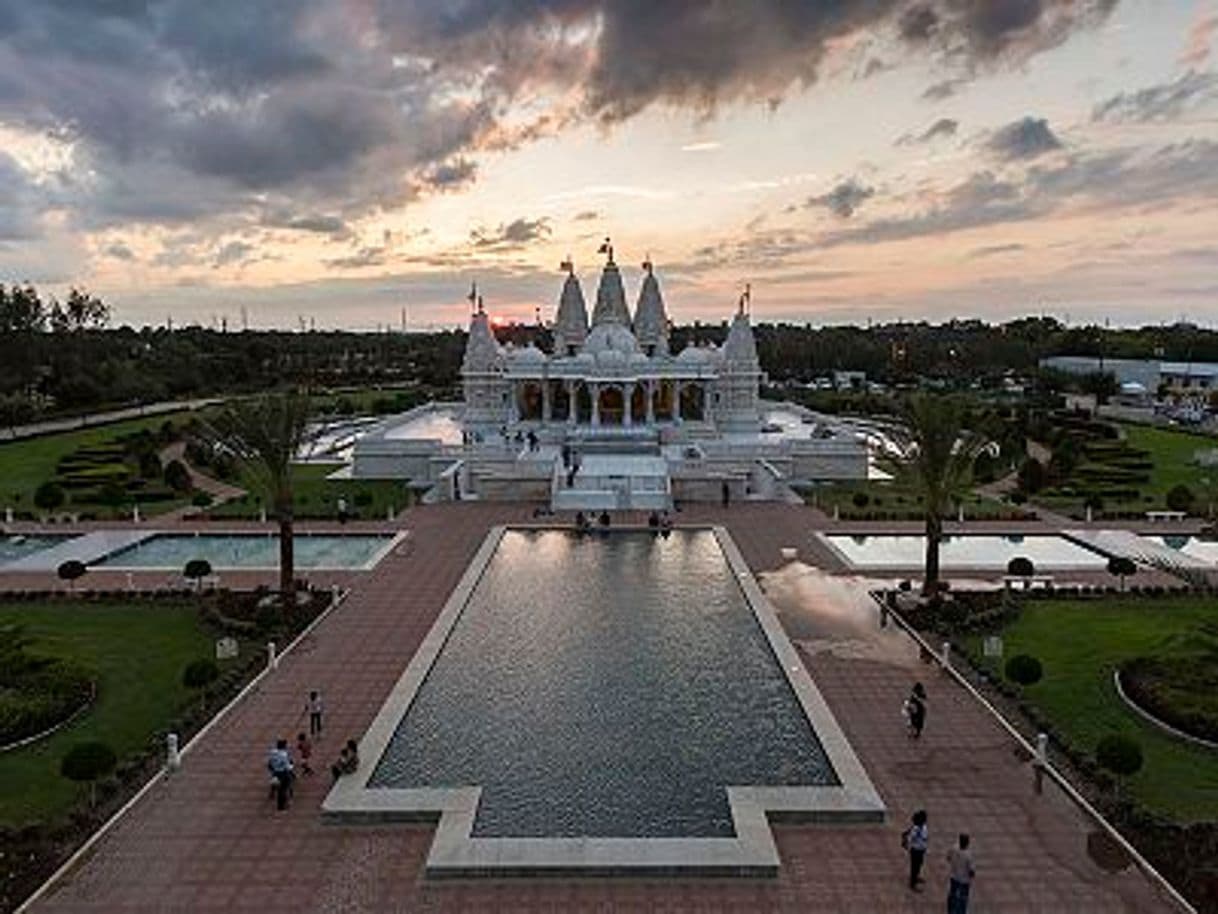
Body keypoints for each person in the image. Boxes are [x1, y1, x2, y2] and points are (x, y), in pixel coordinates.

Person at [946, 833, 976, 914]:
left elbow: (948, 858)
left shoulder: (954, 848)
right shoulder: (968, 855)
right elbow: (971, 870)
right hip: (964, 880)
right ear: (967, 843)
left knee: (952, 893)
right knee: (963, 897)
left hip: (954, 876)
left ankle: (950, 909)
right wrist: (972, 876)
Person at [902, 809, 929, 890]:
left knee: (919, 864)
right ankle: (912, 883)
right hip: (916, 850)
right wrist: (907, 844)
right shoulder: (916, 829)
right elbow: (910, 838)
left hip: (921, 849)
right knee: (915, 866)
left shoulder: (923, 827)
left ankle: (916, 876)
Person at [267, 739, 294, 810]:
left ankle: (272, 793)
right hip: (283, 773)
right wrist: (291, 766)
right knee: (285, 788)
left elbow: (269, 762)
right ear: (284, 746)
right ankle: (283, 804)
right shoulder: (283, 755)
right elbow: (287, 766)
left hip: (275, 771)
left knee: (275, 782)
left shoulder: (273, 752)